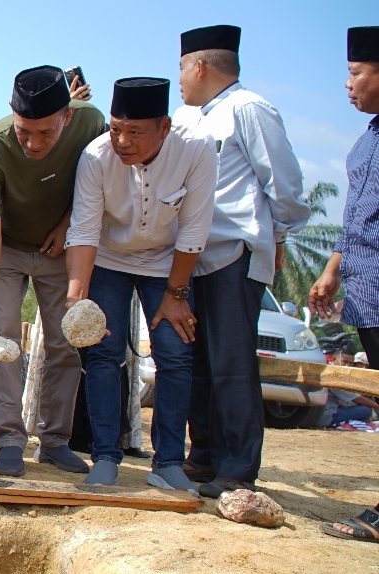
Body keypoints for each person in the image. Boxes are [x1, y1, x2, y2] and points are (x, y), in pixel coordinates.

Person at [172, 24, 312, 498]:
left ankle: (237, 468)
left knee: (231, 363)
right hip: (189, 260)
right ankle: (204, 455)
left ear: (200, 66)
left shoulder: (248, 110)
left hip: (233, 254)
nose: (180, 81)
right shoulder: (186, 118)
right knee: (195, 362)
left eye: (181, 70)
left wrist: (279, 234)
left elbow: (285, 184)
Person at [65, 77, 216, 494]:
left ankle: (167, 462)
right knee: (102, 351)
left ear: (164, 128)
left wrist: (176, 295)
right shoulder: (95, 156)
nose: (122, 141)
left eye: (135, 132)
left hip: (167, 264)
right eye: (115, 129)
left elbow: (195, 227)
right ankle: (105, 458)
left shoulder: (197, 149)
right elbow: (84, 230)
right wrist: (77, 299)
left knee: (174, 353)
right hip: (109, 260)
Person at [0, 66, 104, 477]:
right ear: (12, 112)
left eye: (46, 132)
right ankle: (9, 437)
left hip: (61, 248)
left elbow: (94, 188)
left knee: (65, 341)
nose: (33, 142)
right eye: (24, 131)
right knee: (3, 337)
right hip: (6, 247)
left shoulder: (92, 123)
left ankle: (55, 440)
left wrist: (65, 224)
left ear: (69, 116)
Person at [314, 28, 379, 543]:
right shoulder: (368, 138)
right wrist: (334, 267)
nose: (347, 84)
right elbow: (356, 219)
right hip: (367, 291)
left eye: (356, 73)